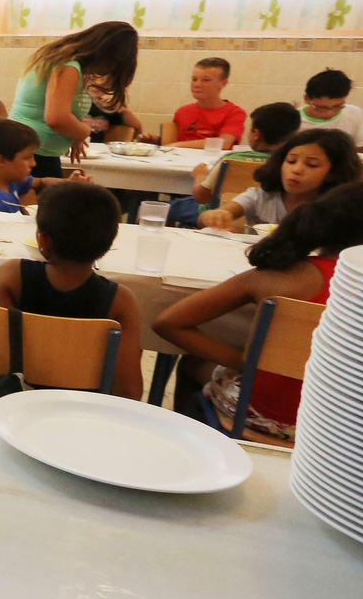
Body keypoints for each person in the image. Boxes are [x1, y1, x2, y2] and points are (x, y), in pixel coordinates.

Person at [154, 181, 363, 437]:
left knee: (192, 364)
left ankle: (186, 443)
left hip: (264, 416)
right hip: (343, 431)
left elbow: (167, 322)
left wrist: (247, 363)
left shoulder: (282, 275)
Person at [0, 182, 143, 400]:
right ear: (108, 245)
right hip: (81, 415)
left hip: (15, 403)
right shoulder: (121, 301)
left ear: (42, 241)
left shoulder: (12, 276)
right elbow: (128, 391)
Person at [9, 21, 139, 177]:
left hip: (28, 148)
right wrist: (83, 132)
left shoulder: (63, 60)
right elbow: (57, 119)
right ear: (108, 57)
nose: (108, 72)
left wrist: (74, 131)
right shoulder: (69, 66)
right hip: (33, 153)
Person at [196, 128, 361, 231]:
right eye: (290, 161)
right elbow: (209, 217)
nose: (296, 170)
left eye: (311, 165)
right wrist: (214, 216)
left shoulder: (335, 210)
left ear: (334, 172)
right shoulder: (260, 197)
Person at [191, 102, 303, 205]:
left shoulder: (231, 160)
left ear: (256, 134)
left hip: (222, 217)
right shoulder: (292, 165)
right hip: (269, 222)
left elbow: (202, 197)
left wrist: (200, 175)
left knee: (179, 204)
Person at [0, 119, 90, 213]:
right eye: (27, 158)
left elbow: (41, 182)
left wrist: (68, 182)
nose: (34, 163)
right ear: (2, 161)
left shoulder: (7, 180)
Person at [146, 57, 244, 149]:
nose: (197, 85)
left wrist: (177, 145)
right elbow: (172, 143)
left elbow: (223, 143)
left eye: (206, 80)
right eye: (194, 79)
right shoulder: (182, 111)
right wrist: (155, 140)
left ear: (223, 83)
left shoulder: (234, 112)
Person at [299, 68, 363, 145]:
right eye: (322, 107)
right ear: (306, 99)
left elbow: (360, 147)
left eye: (338, 106)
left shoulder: (354, 113)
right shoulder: (295, 120)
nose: (330, 113)